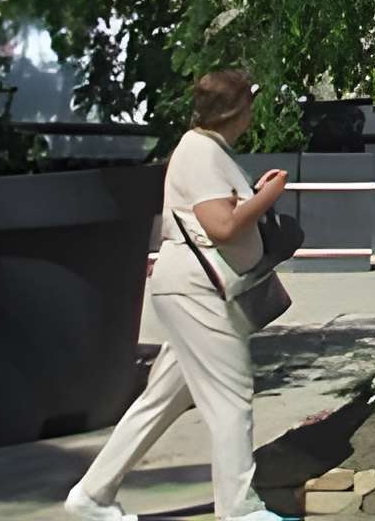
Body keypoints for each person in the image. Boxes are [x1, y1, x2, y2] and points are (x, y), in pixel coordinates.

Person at [65, 67, 290, 521]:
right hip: (197, 291)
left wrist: (255, 193)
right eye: (248, 104)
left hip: (195, 289)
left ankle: (92, 495)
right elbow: (221, 226)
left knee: (160, 400)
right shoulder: (201, 153)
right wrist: (269, 196)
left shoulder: (207, 151)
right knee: (231, 398)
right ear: (237, 109)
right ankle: (240, 510)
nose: (251, 114)